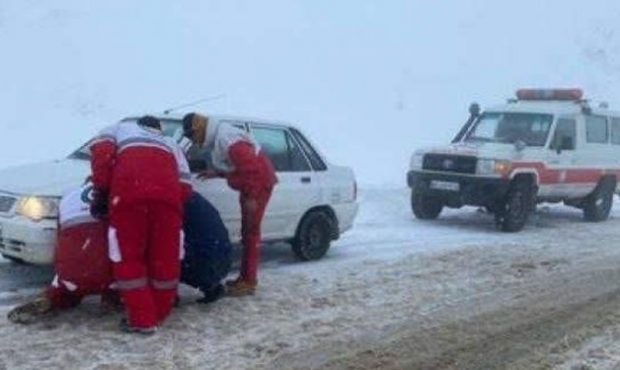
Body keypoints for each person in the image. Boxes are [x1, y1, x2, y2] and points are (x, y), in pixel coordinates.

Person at [89, 115, 192, 334]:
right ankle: (160, 312)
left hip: (128, 198)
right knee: (165, 259)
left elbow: (101, 156)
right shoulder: (171, 144)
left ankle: (143, 320)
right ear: (159, 129)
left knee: (128, 258)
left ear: (139, 125)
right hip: (167, 203)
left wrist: (102, 192)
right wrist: (165, 199)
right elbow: (185, 185)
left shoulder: (119, 129)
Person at [182, 113, 277, 296]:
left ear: (200, 129)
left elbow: (252, 171)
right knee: (248, 233)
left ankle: (249, 281)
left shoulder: (228, 140)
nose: (193, 140)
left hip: (257, 185)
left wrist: (251, 197)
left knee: (251, 233)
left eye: (192, 135)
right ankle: (246, 278)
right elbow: (240, 168)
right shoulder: (222, 136)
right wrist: (218, 173)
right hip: (255, 184)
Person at [7, 183, 117, 324]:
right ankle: (112, 300)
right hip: (108, 269)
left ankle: (50, 299)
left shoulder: (69, 198)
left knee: (66, 287)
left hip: (72, 266)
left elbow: (59, 240)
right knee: (127, 279)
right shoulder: (118, 195)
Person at [182, 192, 232, 303]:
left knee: (162, 253)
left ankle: (166, 294)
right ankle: (211, 285)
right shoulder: (193, 197)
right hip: (220, 257)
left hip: (206, 261)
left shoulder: (179, 202)